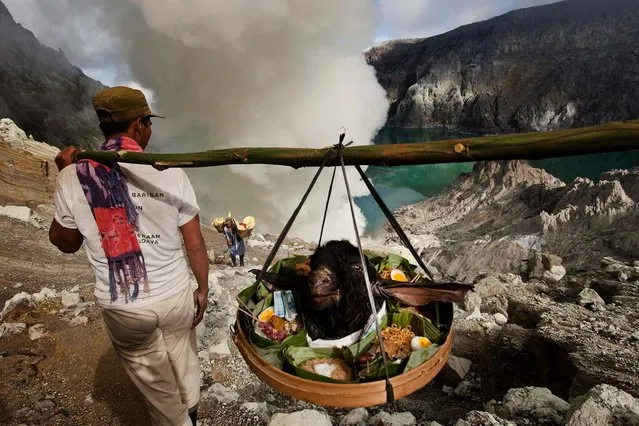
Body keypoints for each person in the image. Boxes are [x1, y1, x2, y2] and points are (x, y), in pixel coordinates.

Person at [49, 86, 209, 426]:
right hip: (175, 294)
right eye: (148, 122)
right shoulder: (172, 173)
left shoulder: (73, 176)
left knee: (159, 388)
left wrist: (63, 172)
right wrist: (203, 289)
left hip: (124, 305)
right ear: (138, 125)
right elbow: (195, 244)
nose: (151, 129)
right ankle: (191, 416)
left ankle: (178, 421)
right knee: (184, 361)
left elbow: (64, 242)